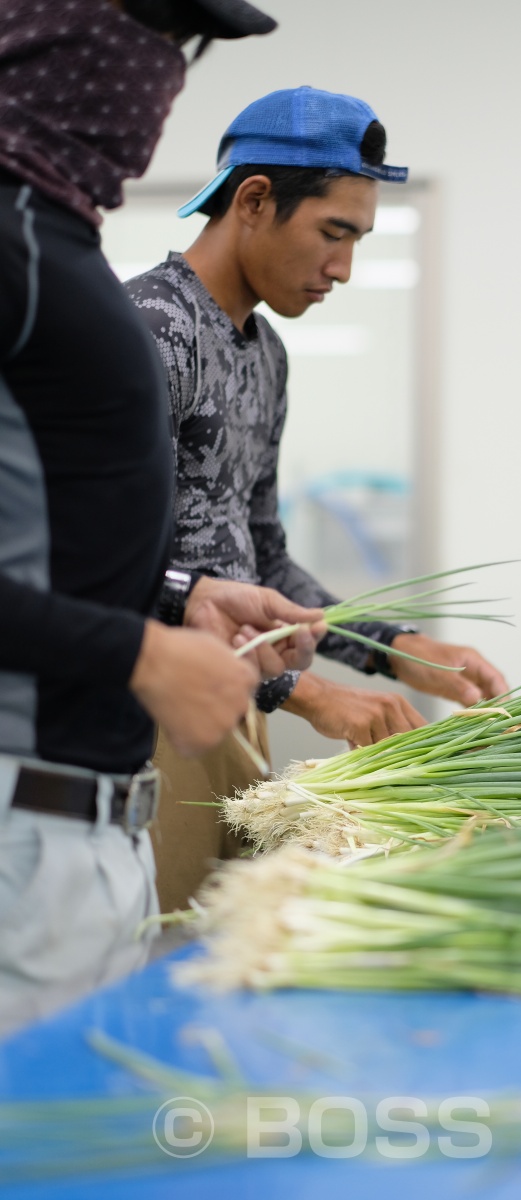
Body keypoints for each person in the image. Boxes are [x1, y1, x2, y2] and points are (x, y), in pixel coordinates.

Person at [0, 0, 325, 1035]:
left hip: (93, 830)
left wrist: (182, 596)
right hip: (25, 823)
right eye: (153, 33)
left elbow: (62, 546)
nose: (159, 78)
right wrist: (140, 653)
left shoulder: (60, 242)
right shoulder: (21, 250)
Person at [125, 86, 509, 909]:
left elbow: (263, 559)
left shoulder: (265, 356)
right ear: (255, 200)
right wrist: (311, 693)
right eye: (333, 234)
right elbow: (111, 573)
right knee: (155, 965)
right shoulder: (152, 332)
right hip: (150, 719)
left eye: (358, 239)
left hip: (236, 720)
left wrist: (393, 648)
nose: (343, 269)